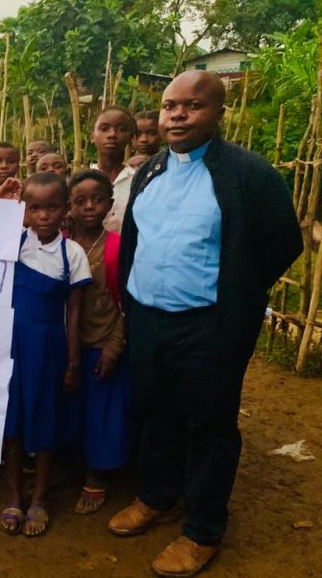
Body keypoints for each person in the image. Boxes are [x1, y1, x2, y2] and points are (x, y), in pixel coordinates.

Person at [109, 70, 303, 578]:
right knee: (156, 411)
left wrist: (238, 292)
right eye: (170, 105)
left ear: (219, 112)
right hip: (148, 317)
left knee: (210, 426)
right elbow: (135, 240)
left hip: (210, 326)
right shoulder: (152, 170)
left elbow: (284, 241)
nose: (177, 115)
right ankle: (157, 497)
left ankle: (202, 529)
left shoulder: (248, 174)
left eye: (192, 106)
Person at [0, 172, 91, 538]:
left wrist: (73, 361)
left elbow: (74, 313)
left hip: (49, 349)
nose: (43, 216)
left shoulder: (72, 254)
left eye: (52, 207)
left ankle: (39, 498)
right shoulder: (13, 243)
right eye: (34, 208)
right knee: (13, 424)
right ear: (24, 210)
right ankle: (13, 496)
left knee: (45, 420)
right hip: (11, 348)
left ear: (65, 209)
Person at [66, 170, 128, 516]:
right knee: (71, 409)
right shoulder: (59, 244)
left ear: (110, 204)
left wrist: (115, 348)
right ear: (69, 206)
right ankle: (69, 466)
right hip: (67, 345)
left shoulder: (118, 247)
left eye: (97, 199)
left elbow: (127, 303)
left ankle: (97, 475)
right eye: (80, 201)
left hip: (102, 343)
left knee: (102, 412)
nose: (89, 206)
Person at [90, 106, 136, 233]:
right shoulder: (82, 181)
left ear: (131, 137)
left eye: (121, 129)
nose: (112, 135)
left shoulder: (138, 181)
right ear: (92, 136)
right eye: (104, 129)